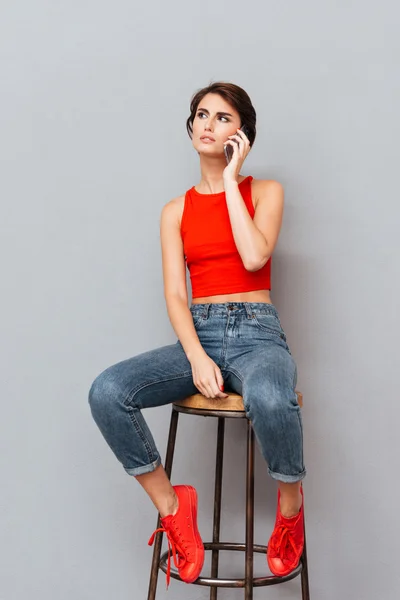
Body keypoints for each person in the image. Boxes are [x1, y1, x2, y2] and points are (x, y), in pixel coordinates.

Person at [88, 81, 306, 588]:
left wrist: (231, 180)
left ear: (241, 134)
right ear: (191, 129)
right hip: (200, 334)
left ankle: (291, 507)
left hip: (258, 335)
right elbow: (175, 297)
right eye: (202, 115)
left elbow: (254, 257)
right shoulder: (175, 211)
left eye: (223, 118)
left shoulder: (264, 191)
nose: (208, 125)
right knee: (107, 391)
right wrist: (196, 356)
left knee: (272, 399)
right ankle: (172, 505)